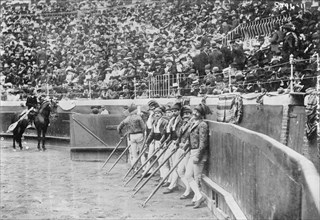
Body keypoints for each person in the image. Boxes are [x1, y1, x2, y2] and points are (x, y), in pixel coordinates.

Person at [163, 105, 194, 196]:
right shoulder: (182, 124)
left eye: (188, 114)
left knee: (183, 171)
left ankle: (188, 190)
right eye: (184, 114)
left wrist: (184, 145)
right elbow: (179, 136)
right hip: (179, 148)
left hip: (187, 150)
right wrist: (177, 143)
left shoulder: (192, 124)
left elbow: (190, 138)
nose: (186, 116)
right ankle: (187, 188)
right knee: (178, 170)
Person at [185, 102, 211, 209]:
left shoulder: (202, 124)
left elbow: (203, 142)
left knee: (197, 177)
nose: (195, 113)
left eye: (198, 112)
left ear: (202, 114)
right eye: (194, 111)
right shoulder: (194, 123)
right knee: (188, 175)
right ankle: (199, 197)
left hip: (198, 153)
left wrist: (198, 156)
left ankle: (197, 198)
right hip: (193, 151)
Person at [117, 104, 146, 172]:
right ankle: (144, 168)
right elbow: (143, 127)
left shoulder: (127, 119)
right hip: (139, 134)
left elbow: (119, 128)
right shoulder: (138, 117)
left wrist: (121, 135)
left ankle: (135, 168)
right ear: (135, 110)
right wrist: (142, 133)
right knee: (142, 153)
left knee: (134, 154)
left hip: (131, 136)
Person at [142, 105, 168, 179]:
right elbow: (151, 133)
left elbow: (165, 134)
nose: (157, 114)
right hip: (155, 141)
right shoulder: (154, 121)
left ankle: (163, 177)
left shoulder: (164, 122)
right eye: (155, 113)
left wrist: (161, 142)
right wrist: (147, 142)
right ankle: (158, 174)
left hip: (162, 142)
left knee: (161, 160)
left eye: (158, 113)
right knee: (153, 157)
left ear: (162, 114)